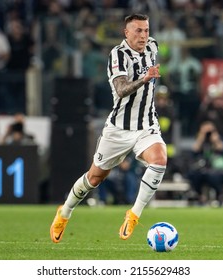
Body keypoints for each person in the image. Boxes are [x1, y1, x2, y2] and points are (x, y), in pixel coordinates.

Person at [50, 14, 166, 243]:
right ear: (126, 32)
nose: (143, 35)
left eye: (146, 30)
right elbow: (121, 89)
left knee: (160, 159)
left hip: (146, 125)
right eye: (137, 31)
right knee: (94, 178)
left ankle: (134, 214)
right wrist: (144, 79)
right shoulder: (118, 55)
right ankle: (65, 212)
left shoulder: (153, 46)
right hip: (118, 129)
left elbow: (151, 48)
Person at [187, 121, 223, 206]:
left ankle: (220, 195)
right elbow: (194, 150)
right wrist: (201, 136)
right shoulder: (200, 140)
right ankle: (199, 196)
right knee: (194, 175)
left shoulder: (219, 139)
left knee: (214, 176)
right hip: (202, 169)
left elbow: (222, 149)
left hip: (217, 170)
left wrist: (215, 139)